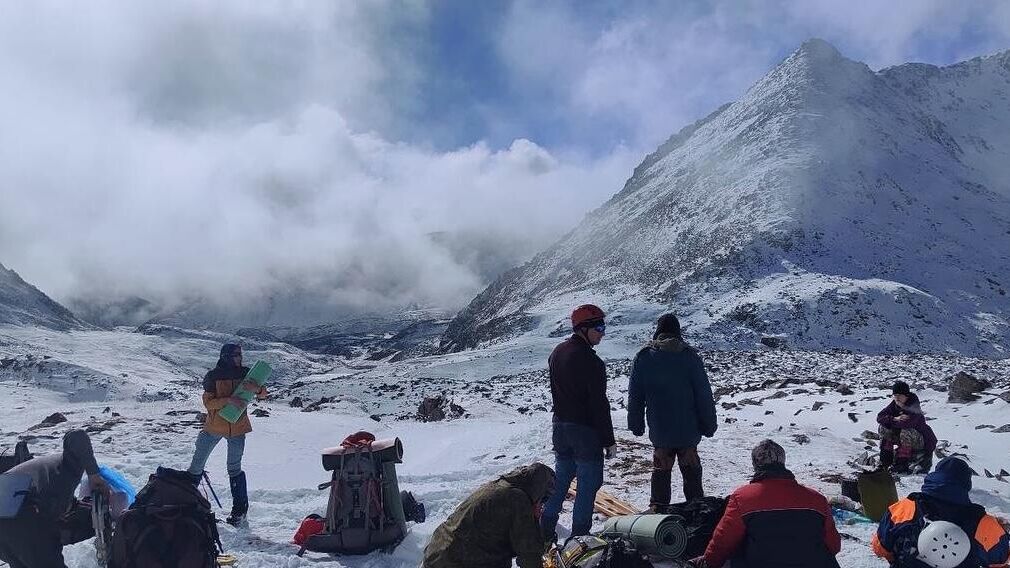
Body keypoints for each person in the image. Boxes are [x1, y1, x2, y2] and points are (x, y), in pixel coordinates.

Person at [689, 439, 841, 568]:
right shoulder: (817, 499)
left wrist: (708, 561)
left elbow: (723, 542)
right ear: (783, 463)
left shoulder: (742, 498)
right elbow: (834, 546)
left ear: (756, 464)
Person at [540, 304, 616, 541]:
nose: (603, 332)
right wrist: (608, 440)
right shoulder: (592, 362)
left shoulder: (557, 353)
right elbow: (598, 405)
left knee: (561, 480)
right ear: (584, 328)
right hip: (584, 433)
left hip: (560, 428)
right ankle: (580, 539)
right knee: (587, 486)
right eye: (599, 327)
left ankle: (544, 530)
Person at [628, 313, 717, 508]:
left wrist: (635, 425)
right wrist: (709, 425)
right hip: (688, 432)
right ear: (678, 333)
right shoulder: (689, 357)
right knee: (692, 479)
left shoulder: (644, 357)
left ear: (658, 332)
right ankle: (697, 514)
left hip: (661, 431)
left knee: (661, 475)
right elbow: (704, 396)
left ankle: (658, 516)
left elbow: (635, 396)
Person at [873, 456, 1010, 568]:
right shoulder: (983, 523)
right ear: (966, 484)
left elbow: (880, 548)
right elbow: (1001, 559)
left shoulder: (906, 507)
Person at [0, 430, 111, 568]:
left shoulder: (51, 478)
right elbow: (77, 436)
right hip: (23, 511)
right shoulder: (70, 463)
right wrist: (94, 475)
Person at [187, 343, 267, 525]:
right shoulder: (213, 376)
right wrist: (228, 400)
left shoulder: (247, 373)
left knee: (234, 469)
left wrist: (258, 389)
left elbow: (263, 395)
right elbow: (208, 404)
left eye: (240, 354)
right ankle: (188, 504)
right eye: (237, 354)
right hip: (214, 427)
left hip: (237, 429)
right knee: (196, 467)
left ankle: (239, 512)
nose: (240, 357)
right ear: (226, 356)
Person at [422, 463, 555, 568]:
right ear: (538, 490)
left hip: (438, 551)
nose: (541, 504)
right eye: (543, 499)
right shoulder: (519, 500)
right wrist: (534, 519)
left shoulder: (500, 487)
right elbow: (528, 554)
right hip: (455, 561)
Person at [878, 381, 937, 474]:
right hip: (904, 438)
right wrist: (895, 419)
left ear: (906, 395)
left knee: (906, 431)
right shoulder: (894, 405)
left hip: (922, 442)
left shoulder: (914, 406)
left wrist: (891, 421)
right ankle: (885, 460)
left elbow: (907, 424)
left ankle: (902, 463)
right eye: (895, 395)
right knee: (884, 427)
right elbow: (880, 417)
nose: (897, 398)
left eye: (900, 395)